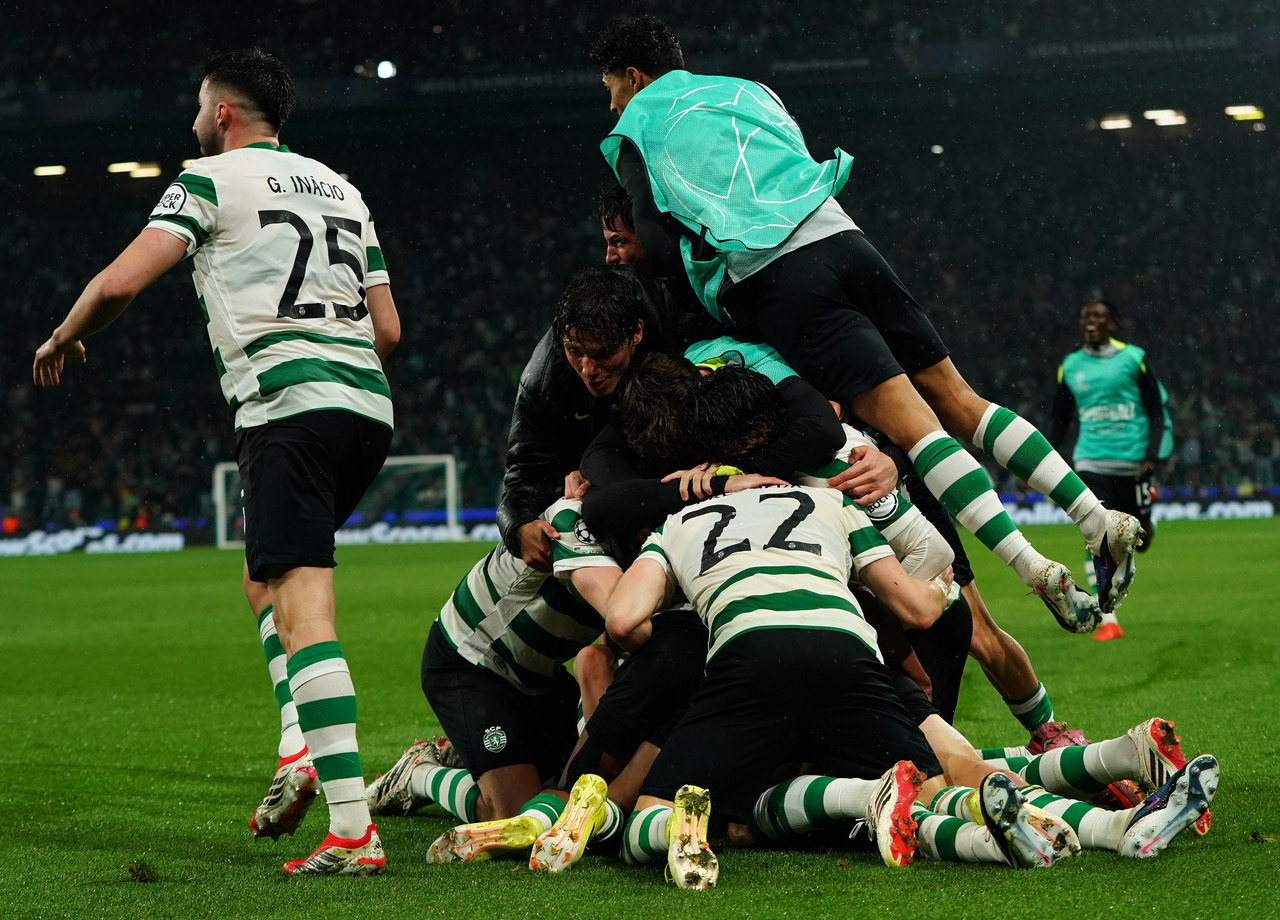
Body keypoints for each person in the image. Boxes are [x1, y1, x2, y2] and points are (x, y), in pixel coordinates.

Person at [588, 15, 1145, 635]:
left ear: (634, 77)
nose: (612, 105)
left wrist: (698, 264)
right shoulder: (745, 90)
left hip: (775, 276)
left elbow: (655, 239)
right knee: (960, 400)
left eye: (611, 89)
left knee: (918, 429)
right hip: (843, 236)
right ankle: (1095, 517)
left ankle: (1034, 567)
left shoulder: (638, 122)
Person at [33, 49, 400, 876]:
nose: (195, 120)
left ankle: (351, 829)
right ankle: (298, 743)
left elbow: (120, 283)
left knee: (305, 608)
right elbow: (389, 329)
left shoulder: (207, 179)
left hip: (288, 410)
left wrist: (63, 335)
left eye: (200, 107)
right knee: (261, 578)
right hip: (367, 409)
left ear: (224, 113)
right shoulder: (343, 189)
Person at [496, 264, 714, 571]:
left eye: (602, 352)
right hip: (607, 501)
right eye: (575, 351)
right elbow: (526, 471)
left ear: (636, 332)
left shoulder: (681, 321)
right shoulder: (544, 380)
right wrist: (518, 526)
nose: (588, 369)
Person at [1049, 300, 1166, 640]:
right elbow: (1060, 419)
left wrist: (1151, 457)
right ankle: (1108, 618)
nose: (1092, 321)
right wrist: (1042, 461)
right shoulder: (1070, 366)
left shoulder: (1134, 358)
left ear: (1111, 323)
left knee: (1139, 542)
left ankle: (1148, 515)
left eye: (1099, 316)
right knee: (1098, 537)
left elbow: (1155, 409)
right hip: (1091, 462)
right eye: (1086, 315)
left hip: (1133, 463)